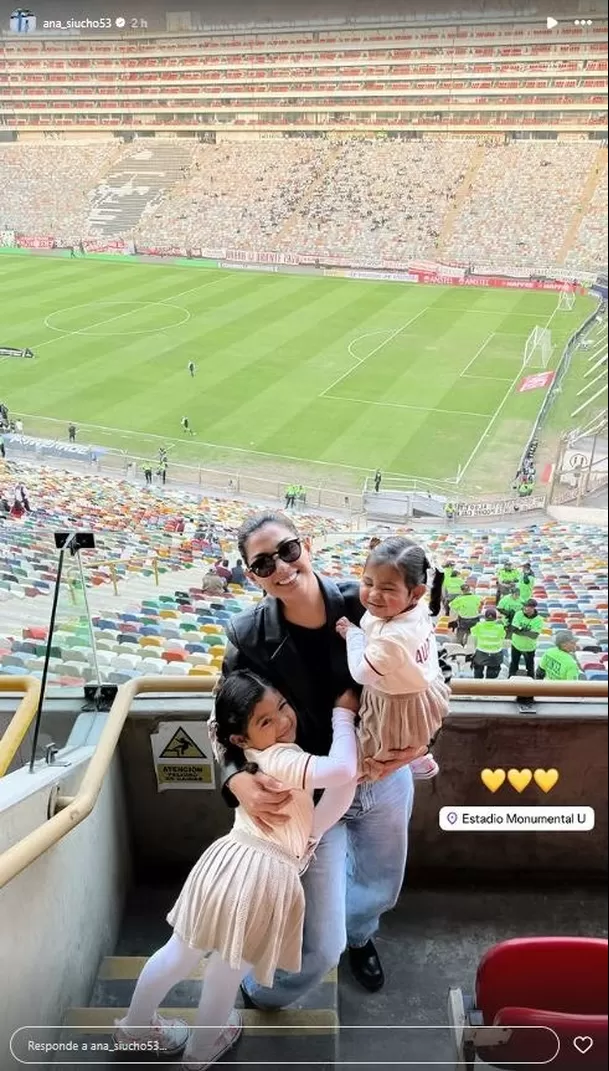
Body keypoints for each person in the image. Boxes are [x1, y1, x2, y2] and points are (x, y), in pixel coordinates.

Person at [216, 512, 429, 1005]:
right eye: (264, 563)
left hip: (383, 778)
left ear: (306, 545)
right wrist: (234, 779)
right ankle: (263, 994)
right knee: (319, 937)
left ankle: (362, 937)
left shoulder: (371, 600)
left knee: (381, 883)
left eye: (288, 551)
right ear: (252, 575)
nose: (282, 568)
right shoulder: (248, 636)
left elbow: (426, 676)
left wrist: (422, 742)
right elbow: (224, 718)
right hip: (309, 791)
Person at [114, 672, 359, 1069]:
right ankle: (201, 1049)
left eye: (282, 706)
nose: (283, 721)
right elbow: (344, 772)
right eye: (266, 720)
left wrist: (309, 839)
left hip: (226, 862)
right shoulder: (284, 756)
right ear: (240, 739)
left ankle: (134, 1025)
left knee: (178, 953)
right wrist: (344, 717)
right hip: (262, 880)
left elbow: (330, 802)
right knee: (227, 971)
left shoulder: (252, 762)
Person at [335, 537, 451, 783]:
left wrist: (353, 635)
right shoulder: (418, 609)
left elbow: (361, 673)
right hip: (421, 691)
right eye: (368, 582)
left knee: (373, 755)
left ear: (416, 593)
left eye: (387, 589)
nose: (374, 594)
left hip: (396, 704)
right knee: (409, 738)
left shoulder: (395, 638)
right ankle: (420, 760)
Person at [509, 600, 545, 678]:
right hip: (516, 645)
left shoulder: (539, 620)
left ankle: (531, 685)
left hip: (529, 648)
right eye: (525, 606)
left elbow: (534, 635)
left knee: (530, 667)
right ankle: (509, 682)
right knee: (513, 665)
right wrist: (528, 632)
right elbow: (514, 629)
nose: (525, 608)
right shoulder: (518, 614)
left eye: (528, 607)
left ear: (533, 608)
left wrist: (521, 630)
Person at [470, 609, 506, 679]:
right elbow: (503, 636)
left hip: (481, 652)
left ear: (485, 618)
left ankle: (478, 687)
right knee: (491, 677)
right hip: (495, 654)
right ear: (495, 618)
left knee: (478, 673)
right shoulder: (500, 627)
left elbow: (473, 634)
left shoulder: (479, 626)